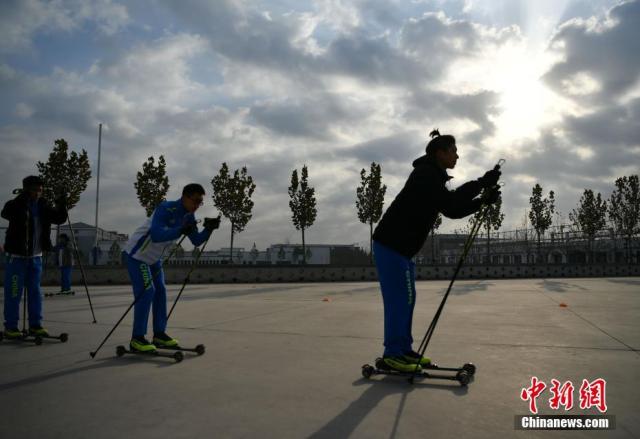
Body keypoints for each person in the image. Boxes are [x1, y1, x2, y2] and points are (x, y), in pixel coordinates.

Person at [371, 130, 501, 372]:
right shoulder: (425, 175)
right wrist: (482, 186)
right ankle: (392, 354)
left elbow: (451, 209)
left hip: (400, 249)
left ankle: (403, 350)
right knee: (400, 300)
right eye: (453, 151)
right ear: (439, 153)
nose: (457, 156)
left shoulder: (433, 175)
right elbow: (451, 204)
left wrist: (481, 198)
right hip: (391, 245)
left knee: (407, 299)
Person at [123, 183, 220, 352]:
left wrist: (209, 229)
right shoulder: (166, 208)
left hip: (154, 260)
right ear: (185, 197)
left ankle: (159, 334)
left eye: (200, 202)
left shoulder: (189, 216)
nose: (197, 205)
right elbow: (156, 235)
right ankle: (137, 339)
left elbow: (196, 240)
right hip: (137, 256)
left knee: (160, 291)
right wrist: (180, 230)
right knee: (147, 292)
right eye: (195, 200)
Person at [2, 176, 68, 338]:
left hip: (35, 257)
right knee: (14, 292)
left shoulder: (43, 205)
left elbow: (59, 219)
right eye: (34, 190)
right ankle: (11, 327)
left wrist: (62, 203)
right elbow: (5, 213)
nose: (38, 193)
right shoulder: (15, 204)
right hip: (16, 257)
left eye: (40, 190)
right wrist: (22, 200)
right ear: (26, 189)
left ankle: (35, 325)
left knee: (35, 292)